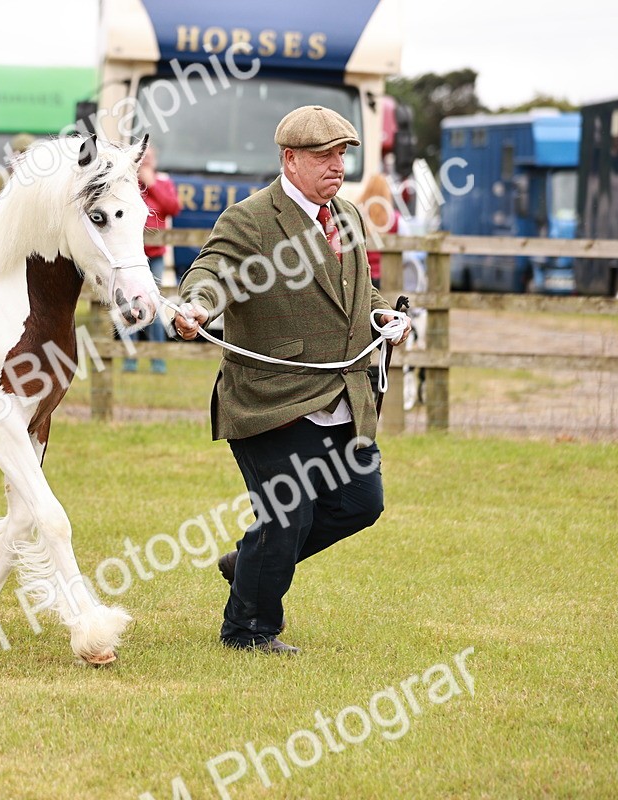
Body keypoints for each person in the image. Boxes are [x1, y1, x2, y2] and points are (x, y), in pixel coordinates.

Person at [170, 105, 411, 655]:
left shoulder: (347, 216)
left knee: (361, 504)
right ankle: (248, 630)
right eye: (323, 155)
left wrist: (381, 314)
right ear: (290, 159)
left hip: (343, 396)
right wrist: (198, 305)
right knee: (288, 512)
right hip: (270, 399)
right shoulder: (250, 219)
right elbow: (210, 271)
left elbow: (358, 288)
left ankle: (250, 562)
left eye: (342, 154)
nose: (337, 165)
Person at [123, 145, 181, 374]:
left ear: (155, 161)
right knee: (129, 308)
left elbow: (172, 207)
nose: (145, 161)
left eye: (149, 158)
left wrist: (152, 184)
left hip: (155, 256)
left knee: (153, 306)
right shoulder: (128, 184)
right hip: (131, 257)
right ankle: (130, 359)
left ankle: (158, 360)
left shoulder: (163, 183)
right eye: (142, 158)